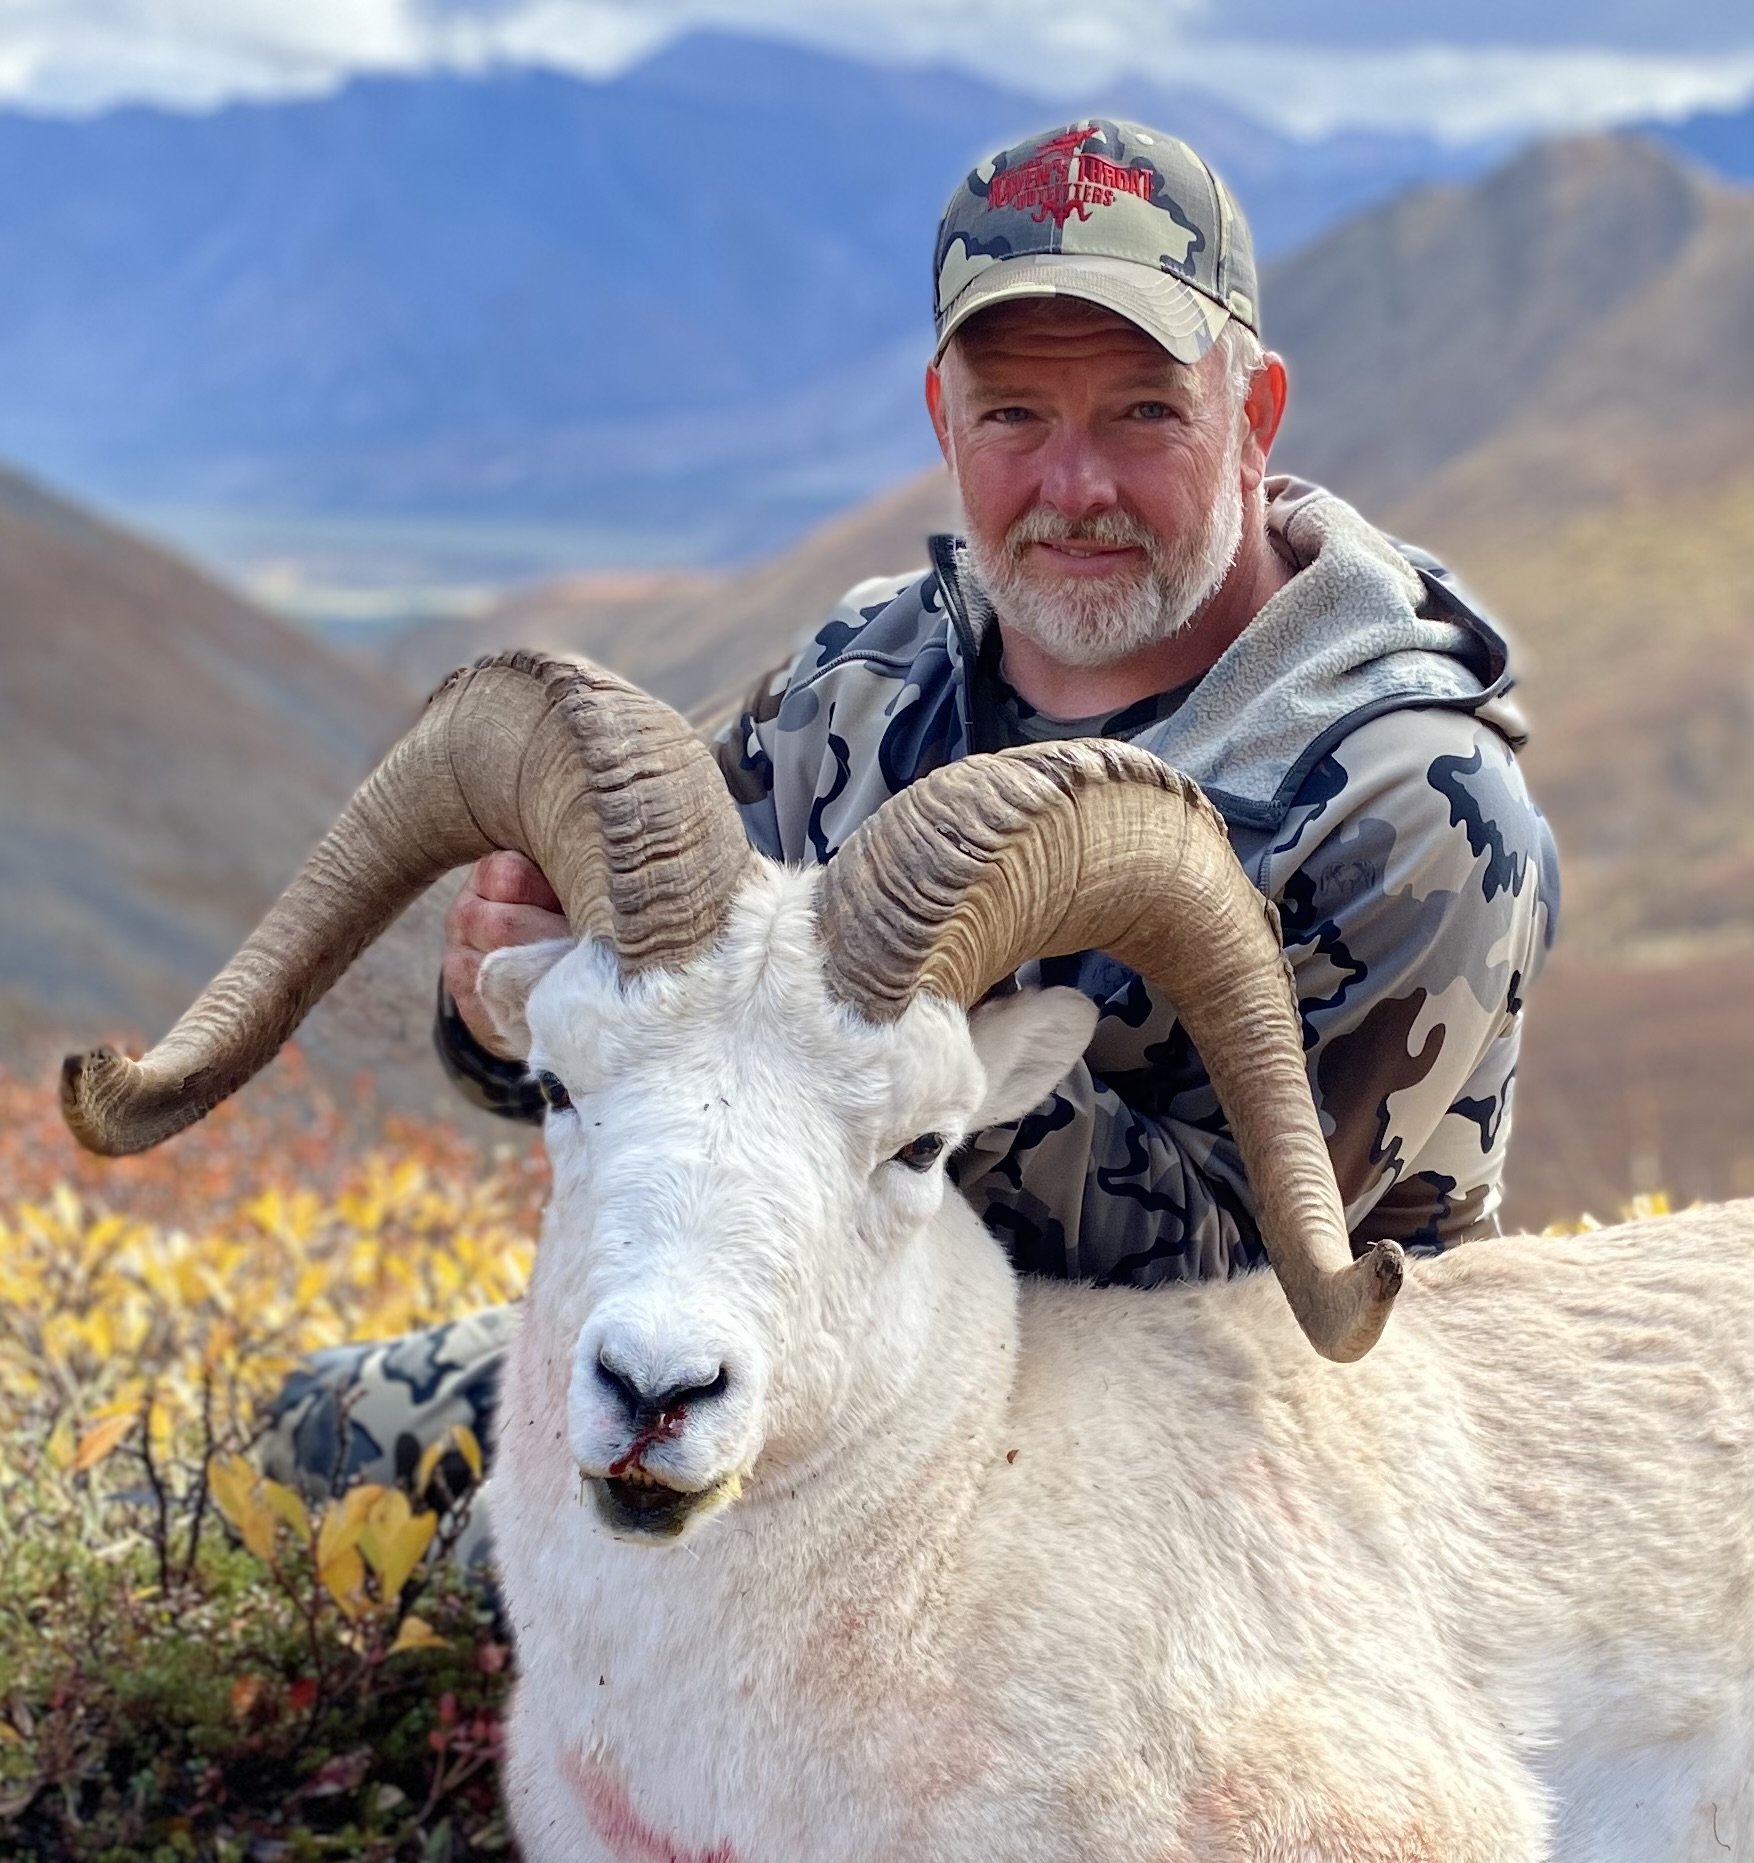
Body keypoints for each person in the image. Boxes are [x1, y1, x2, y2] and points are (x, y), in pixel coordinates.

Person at [263, 117, 1558, 1537]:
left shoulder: (1408, 807)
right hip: (815, 1332)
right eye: (1014, 414)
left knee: (501, 1586)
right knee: (308, 1444)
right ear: (943, 417)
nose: (1074, 487)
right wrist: (525, 997)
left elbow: (1283, 1289)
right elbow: (661, 1069)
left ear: (1251, 417)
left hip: (1227, 1454)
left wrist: (930, 1077)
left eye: (1142, 411)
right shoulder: (864, 679)